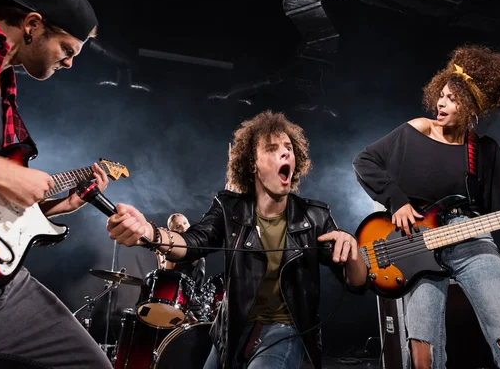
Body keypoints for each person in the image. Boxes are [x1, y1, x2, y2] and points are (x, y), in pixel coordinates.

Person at [352, 45, 500, 369]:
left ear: (472, 106)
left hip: (471, 238)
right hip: (415, 245)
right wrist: (397, 200)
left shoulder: (484, 151)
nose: (440, 102)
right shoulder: (415, 130)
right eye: (442, 94)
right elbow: (364, 160)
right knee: (423, 351)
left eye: (452, 99)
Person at [107, 110, 369, 369]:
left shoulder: (314, 215)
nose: (286, 152)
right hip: (231, 330)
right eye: (272, 148)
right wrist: (150, 234)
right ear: (252, 164)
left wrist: (353, 250)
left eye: (289, 147)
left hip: (285, 330)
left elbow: (356, 282)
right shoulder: (229, 207)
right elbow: (194, 242)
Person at [0, 0, 113, 368]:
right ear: (33, 25)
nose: (69, 63)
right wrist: (7, 174)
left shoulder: (5, 82)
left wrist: (49, 210)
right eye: (66, 49)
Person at [158, 212, 206, 290]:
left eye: (185, 223)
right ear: (172, 232)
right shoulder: (172, 251)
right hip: (178, 296)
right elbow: (165, 277)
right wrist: (162, 244)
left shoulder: (198, 244)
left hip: (196, 296)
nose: (183, 227)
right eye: (178, 226)